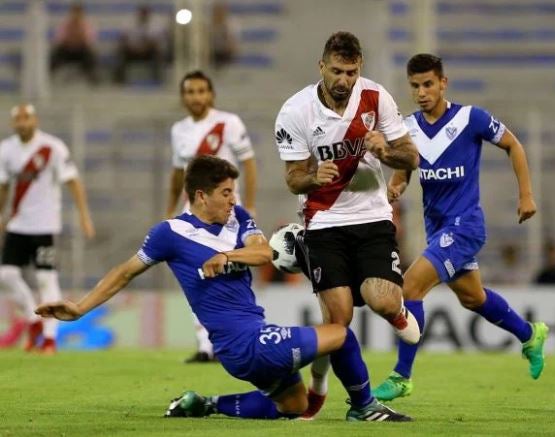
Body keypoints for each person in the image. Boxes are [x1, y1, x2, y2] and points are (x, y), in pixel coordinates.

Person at [35, 155, 411, 423]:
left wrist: (228, 256)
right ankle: (364, 407)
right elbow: (123, 272)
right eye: (227, 192)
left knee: (294, 405)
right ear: (201, 196)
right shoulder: (170, 233)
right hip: (242, 343)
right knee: (340, 335)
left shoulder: (239, 220)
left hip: (251, 338)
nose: (234, 199)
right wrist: (81, 308)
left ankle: (205, 404)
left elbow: (265, 253)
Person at [372, 53, 549, 401]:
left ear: (443, 83)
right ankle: (529, 334)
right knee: (473, 297)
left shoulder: (471, 118)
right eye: (414, 86)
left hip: (466, 225)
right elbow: (405, 168)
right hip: (438, 229)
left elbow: (513, 145)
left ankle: (401, 376)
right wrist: (397, 185)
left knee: (409, 288)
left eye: (427, 84)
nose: (421, 92)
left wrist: (526, 195)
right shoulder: (407, 128)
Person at [274, 31, 420, 418]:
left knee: (382, 299)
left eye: (351, 72)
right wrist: (312, 177)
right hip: (323, 223)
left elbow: (412, 158)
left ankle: (398, 315)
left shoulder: (376, 98)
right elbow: (292, 179)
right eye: (337, 71)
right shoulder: (295, 111)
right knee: (338, 322)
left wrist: (385, 150)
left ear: (360, 70)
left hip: (372, 218)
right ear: (321, 67)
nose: (344, 80)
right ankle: (345, 398)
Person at [166, 70, 257, 363]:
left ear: (211, 94)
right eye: (190, 92)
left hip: (227, 213)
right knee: (196, 277)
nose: (196, 97)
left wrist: (250, 205)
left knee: (231, 276)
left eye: (201, 91)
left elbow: (249, 164)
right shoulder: (178, 130)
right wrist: (170, 209)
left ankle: (232, 340)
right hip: (192, 216)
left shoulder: (228, 123)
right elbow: (179, 174)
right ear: (183, 97)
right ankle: (206, 345)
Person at [0, 104, 95, 354]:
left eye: (26, 118)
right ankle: (33, 321)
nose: (22, 122)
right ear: (13, 123)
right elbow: (3, 187)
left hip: (44, 225)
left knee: (45, 278)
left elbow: (73, 182)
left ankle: (50, 338)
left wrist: (84, 216)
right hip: (17, 224)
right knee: (5, 275)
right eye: (18, 119)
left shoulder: (52, 147)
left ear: (35, 120)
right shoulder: (6, 150)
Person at [113, 5, 167, 85]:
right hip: (132, 51)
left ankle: (158, 80)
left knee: (158, 53)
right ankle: (119, 80)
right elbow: (123, 39)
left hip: (148, 52)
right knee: (121, 52)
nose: (143, 15)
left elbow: (157, 42)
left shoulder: (156, 26)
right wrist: (134, 47)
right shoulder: (129, 24)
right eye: (142, 13)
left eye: (145, 13)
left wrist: (145, 47)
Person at [50, 2, 99, 84]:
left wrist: (79, 36)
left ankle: (93, 78)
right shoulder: (65, 25)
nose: (76, 15)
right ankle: (48, 76)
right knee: (56, 53)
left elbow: (89, 41)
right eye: (74, 12)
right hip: (67, 51)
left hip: (81, 52)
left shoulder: (86, 25)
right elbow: (59, 40)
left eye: (78, 12)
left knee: (90, 54)